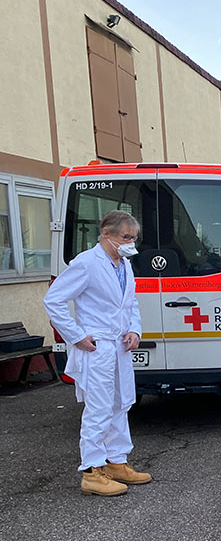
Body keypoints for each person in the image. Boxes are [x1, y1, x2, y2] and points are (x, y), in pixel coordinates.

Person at [43, 210, 153, 496]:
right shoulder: (87, 263)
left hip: (119, 345)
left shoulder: (123, 264)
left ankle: (117, 462)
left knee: (121, 403)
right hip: (97, 347)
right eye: (125, 237)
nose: (130, 242)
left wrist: (134, 330)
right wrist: (77, 336)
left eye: (134, 237)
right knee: (99, 408)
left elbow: (130, 304)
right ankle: (92, 471)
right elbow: (53, 300)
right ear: (106, 234)